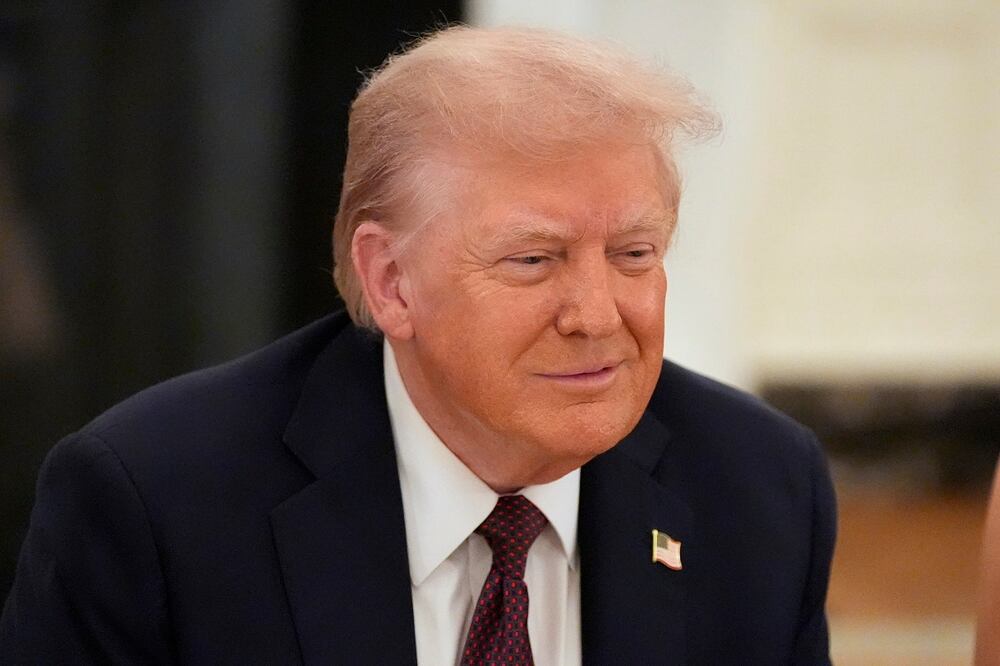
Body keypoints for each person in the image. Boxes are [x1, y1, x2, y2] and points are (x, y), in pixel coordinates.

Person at [0, 25, 836, 664]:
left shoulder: (761, 490)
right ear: (391, 280)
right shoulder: (154, 504)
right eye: (534, 259)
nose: (596, 312)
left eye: (634, 255)